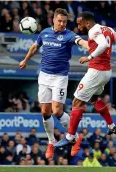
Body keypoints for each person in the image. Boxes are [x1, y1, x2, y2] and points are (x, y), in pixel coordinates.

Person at [54, 11, 116, 156]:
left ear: (87, 22)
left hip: (96, 71)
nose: (78, 25)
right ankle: (112, 126)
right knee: (94, 99)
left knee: (77, 102)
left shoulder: (94, 31)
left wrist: (89, 57)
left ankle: (70, 137)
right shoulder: (108, 30)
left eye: (79, 23)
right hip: (106, 72)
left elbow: (104, 44)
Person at [19, 8, 88, 159]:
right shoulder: (44, 33)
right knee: (45, 111)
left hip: (60, 77)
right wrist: (25, 60)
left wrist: (92, 48)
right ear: (53, 20)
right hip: (44, 76)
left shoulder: (69, 35)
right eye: (60, 21)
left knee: (57, 111)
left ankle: (75, 137)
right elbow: (34, 46)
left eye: (65, 21)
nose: (62, 24)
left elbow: (81, 42)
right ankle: (51, 142)